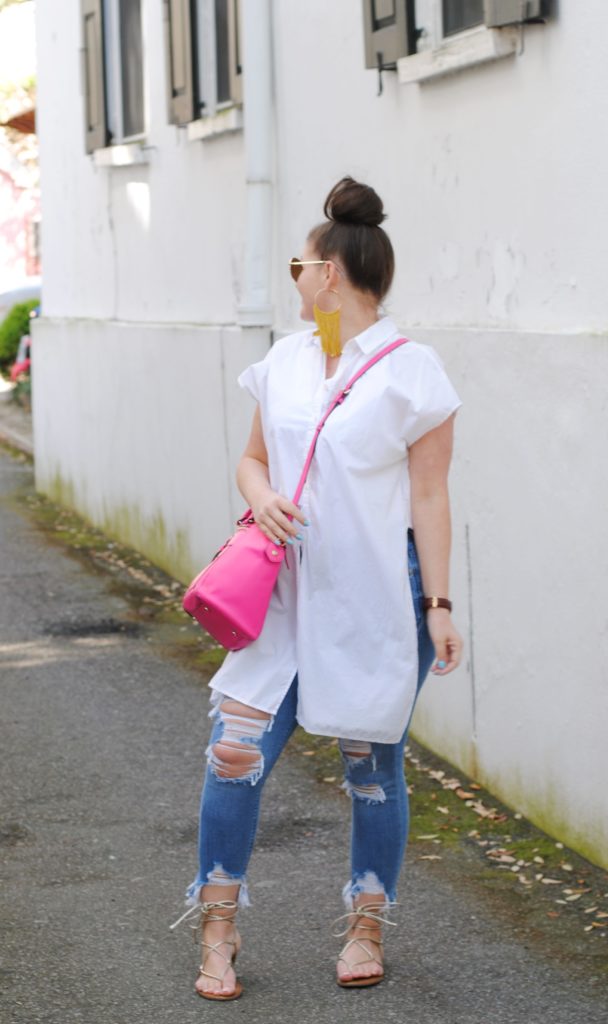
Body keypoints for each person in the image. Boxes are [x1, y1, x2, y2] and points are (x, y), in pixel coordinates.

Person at [174, 177, 463, 1000]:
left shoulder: (413, 374)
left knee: (372, 763)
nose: (295, 278)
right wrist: (259, 496)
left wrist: (438, 607)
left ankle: (366, 925)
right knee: (233, 754)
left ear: (329, 273)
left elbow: (432, 497)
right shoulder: (290, 359)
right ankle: (218, 929)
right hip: (279, 596)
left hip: (373, 594)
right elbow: (254, 456)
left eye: (301, 265)